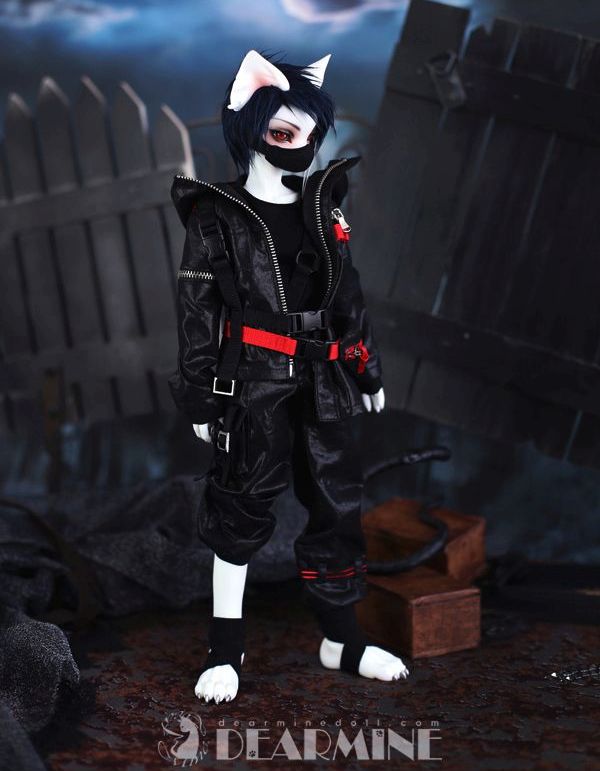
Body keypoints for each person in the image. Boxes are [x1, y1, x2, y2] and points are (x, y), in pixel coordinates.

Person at [169, 49, 409, 704]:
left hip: (326, 379)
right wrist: (201, 393)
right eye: (283, 131)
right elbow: (197, 311)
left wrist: (367, 368)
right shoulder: (215, 215)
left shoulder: (324, 207)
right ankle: (226, 647)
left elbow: (348, 297)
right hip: (253, 380)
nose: (301, 143)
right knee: (240, 504)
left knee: (337, 502)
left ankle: (341, 638)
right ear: (250, 127)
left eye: (310, 130)